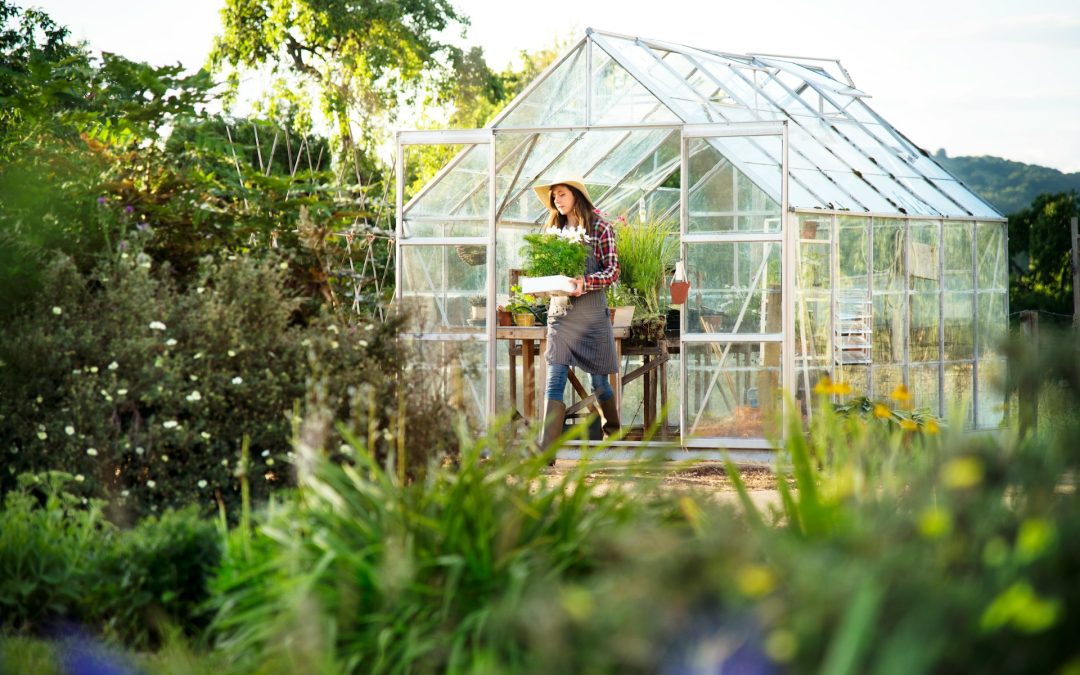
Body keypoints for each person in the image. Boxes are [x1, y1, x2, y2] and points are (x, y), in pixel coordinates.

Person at [531, 175, 621, 454]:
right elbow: (544, 272)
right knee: (555, 375)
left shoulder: (600, 228)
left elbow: (613, 271)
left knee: (598, 382)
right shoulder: (551, 231)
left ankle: (613, 433)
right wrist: (539, 288)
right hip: (561, 315)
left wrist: (586, 283)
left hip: (592, 316)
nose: (556, 200)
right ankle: (546, 452)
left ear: (575, 196)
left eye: (561, 194)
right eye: (553, 196)